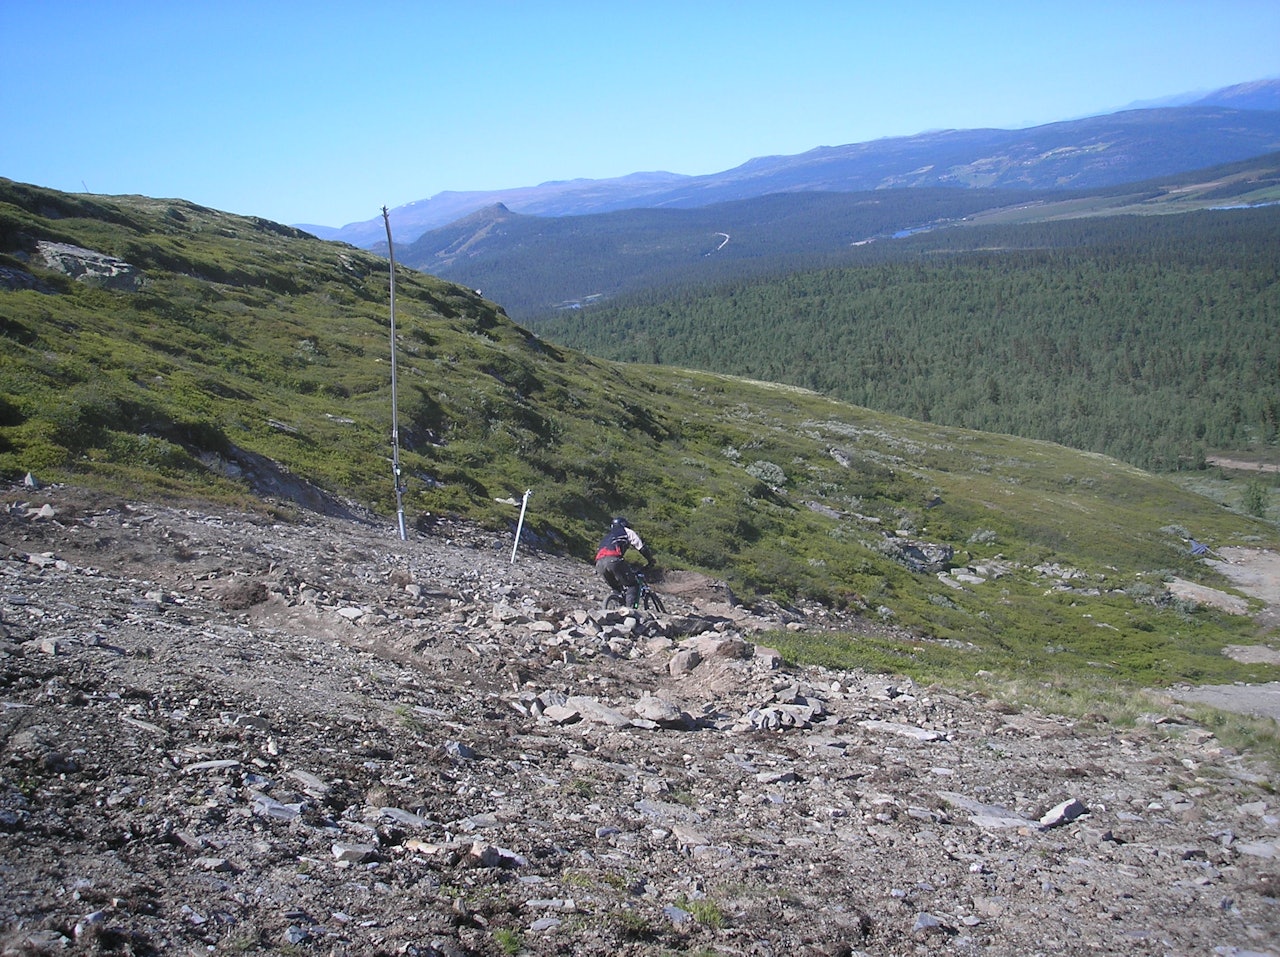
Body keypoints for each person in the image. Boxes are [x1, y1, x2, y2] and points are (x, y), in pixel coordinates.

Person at [594, 516, 654, 607]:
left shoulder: (607, 536)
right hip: (613, 560)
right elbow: (641, 547)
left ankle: (617, 606)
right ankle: (630, 611)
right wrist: (650, 560)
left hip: (599, 563)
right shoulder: (627, 531)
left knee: (616, 588)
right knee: (633, 585)